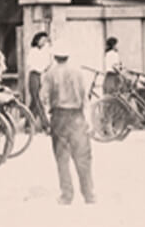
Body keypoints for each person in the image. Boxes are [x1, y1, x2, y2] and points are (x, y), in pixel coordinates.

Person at [39, 34, 95, 205]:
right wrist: (88, 120)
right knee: (83, 158)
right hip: (77, 117)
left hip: (59, 118)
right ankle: (89, 194)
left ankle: (67, 195)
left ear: (55, 55)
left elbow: (43, 97)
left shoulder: (49, 74)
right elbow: (85, 97)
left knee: (62, 158)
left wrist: (46, 118)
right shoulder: (78, 72)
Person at [27, 31, 51, 122]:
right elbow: (33, 65)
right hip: (34, 75)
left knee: (34, 102)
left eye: (45, 41)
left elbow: (47, 64)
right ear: (37, 40)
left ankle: (28, 122)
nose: (44, 42)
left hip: (40, 76)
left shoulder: (44, 51)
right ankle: (45, 123)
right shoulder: (33, 51)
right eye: (42, 40)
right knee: (37, 99)